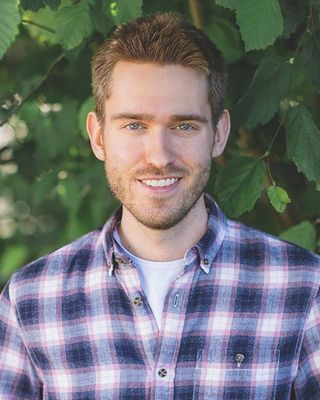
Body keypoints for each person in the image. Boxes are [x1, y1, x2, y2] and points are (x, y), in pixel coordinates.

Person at [0, 12, 319, 400]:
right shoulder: (31, 300)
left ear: (219, 134)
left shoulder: (304, 290)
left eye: (184, 126)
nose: (159, 156)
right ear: (98, 137)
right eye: (134, 125)